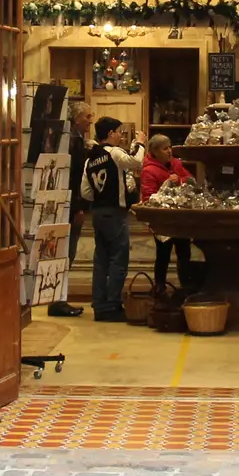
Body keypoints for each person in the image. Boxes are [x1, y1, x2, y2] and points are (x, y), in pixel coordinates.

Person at [82, 116, 143, 322]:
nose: (120, 135)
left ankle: (99, 305)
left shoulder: (90, 159)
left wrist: (101, 196)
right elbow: (137, 162)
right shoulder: (115, 153)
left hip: (97, 213)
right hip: (114, 213)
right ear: (110, 134)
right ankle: (112, 306)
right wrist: (141, 143)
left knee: (101, 260)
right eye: (118, 131)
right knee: (118, 258)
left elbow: (85, 192)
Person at [48, 100, 95, 318]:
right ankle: (59, 300)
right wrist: (78, 208)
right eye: (87, 117)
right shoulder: (72, 143)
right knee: (67, 253)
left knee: (67, 253)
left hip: (66, 202)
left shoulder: (76, 140)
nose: (90, 121)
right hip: (69, 204)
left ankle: (59, 299)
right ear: (76, 119)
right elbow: (74, 178)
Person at [140, 134, 193, 289]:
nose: (169, 151)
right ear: (155, 152)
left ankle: (186, 288)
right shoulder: (148, 170)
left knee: (185, 254)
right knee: (163, 256)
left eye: (169, 147)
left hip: (181, 219)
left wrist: (180, 181)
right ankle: (160, 289)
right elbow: (149, 198)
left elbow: (190, 180)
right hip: (162, 221)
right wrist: (168, 184)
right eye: (165, 149)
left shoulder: (176, 163)